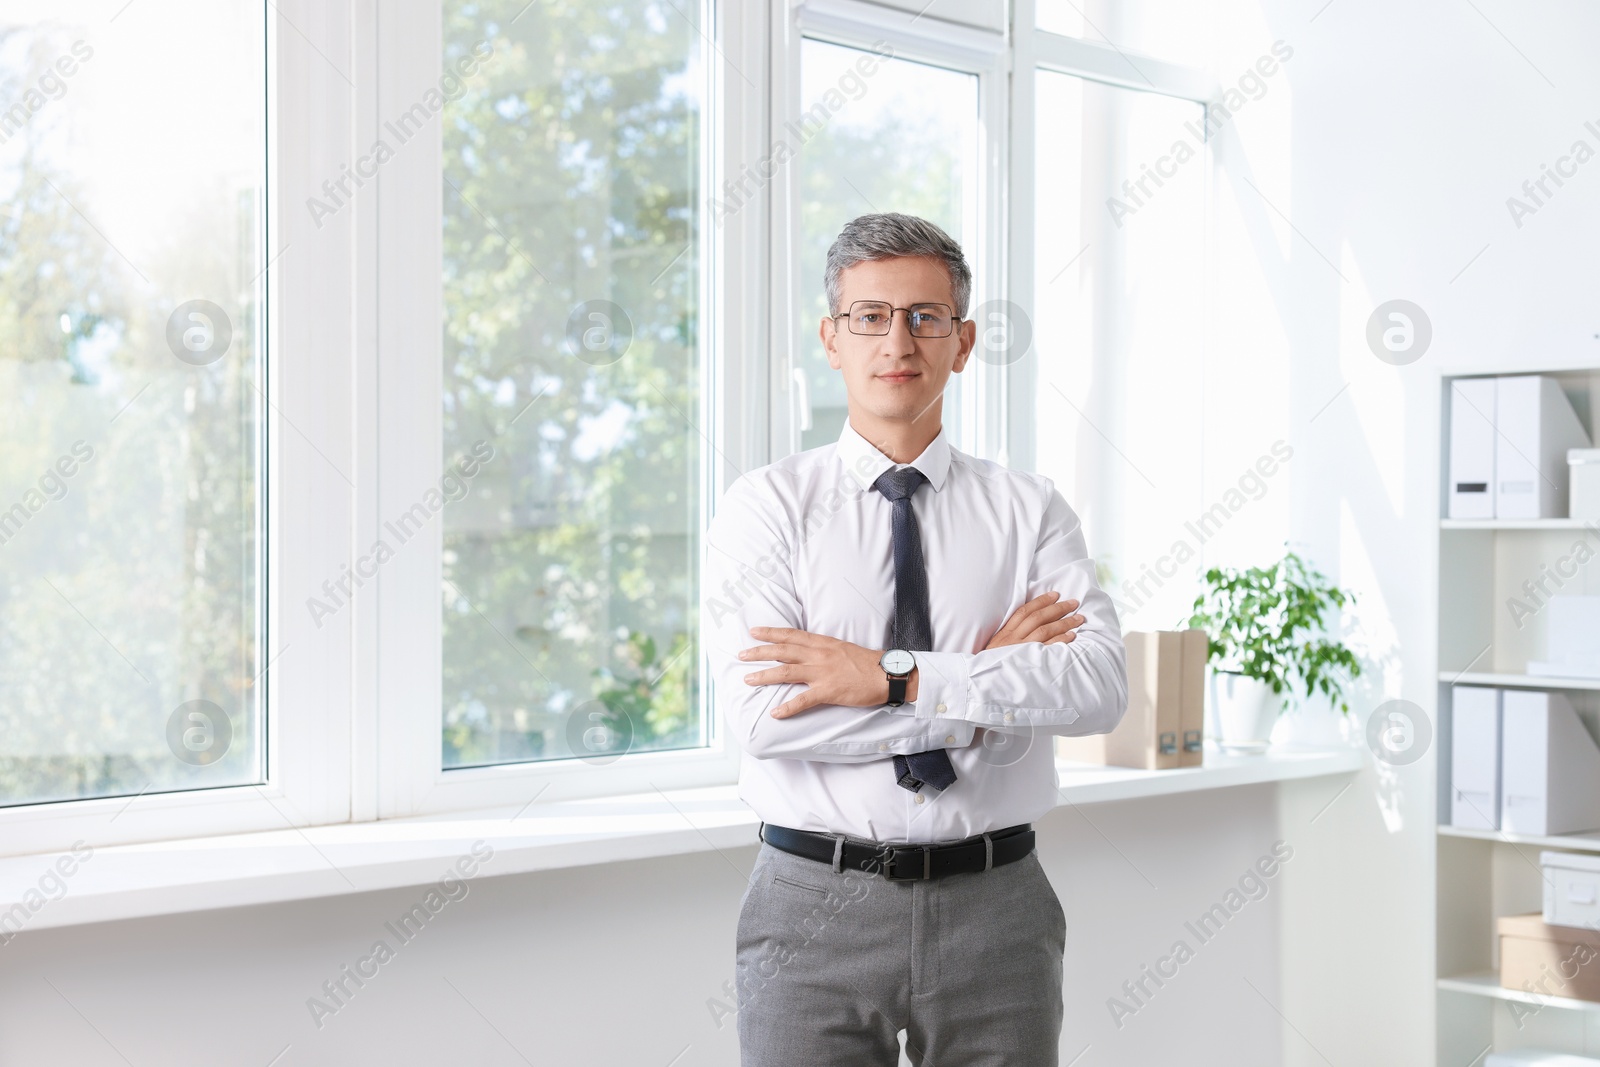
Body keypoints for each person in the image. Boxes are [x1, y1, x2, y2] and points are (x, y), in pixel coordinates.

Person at [702, 212, 1128, 1066]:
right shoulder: (767, 509)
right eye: (870, 315)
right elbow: (766, 718)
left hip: (998, 906)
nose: (898, 338)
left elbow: (1097, 687)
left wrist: (891, 677)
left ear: (964, 342)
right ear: (832, 337)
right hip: (811, 907)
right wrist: (982, 693)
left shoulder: (1029, 509)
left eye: (925, 316)